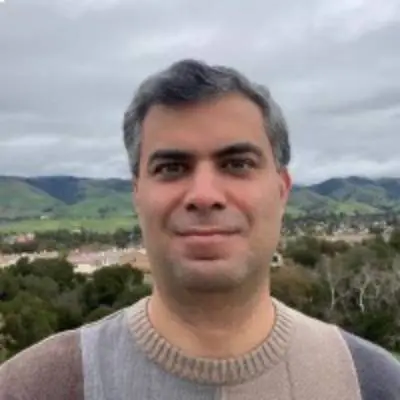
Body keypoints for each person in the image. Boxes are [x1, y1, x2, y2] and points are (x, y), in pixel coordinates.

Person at [1, 59, 399, 400]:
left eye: (237, 164)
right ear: (137, 193)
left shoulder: (373, 384)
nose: (204, 195)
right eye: (172, 168)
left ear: (282, 189)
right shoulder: (35, 387)